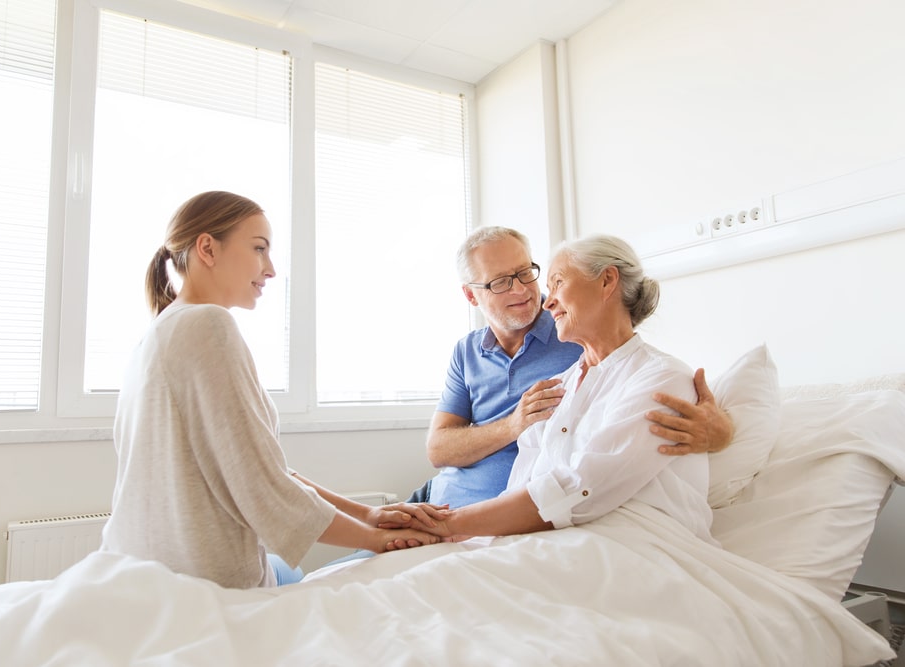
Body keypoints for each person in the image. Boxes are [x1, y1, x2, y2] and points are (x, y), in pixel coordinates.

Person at [100, 191, 441, 589]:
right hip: (200, 583)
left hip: (135, 569)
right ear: (207, 248)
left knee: (290, 570)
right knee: (336, 571)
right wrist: (378, 540)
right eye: (259, 249)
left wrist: (367, 515)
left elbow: (260, 468)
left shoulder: (157, 333)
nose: (271, 269)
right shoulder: (207, 326)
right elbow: (262, 486)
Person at [417, 234, 715, 544]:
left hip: (613, 542)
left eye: (554, 281)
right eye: (501, 281)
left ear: (607, 281)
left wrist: (450, 526)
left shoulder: (658, 376)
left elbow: (581, 487)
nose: (546, 300)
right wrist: (464, 536)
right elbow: (514, 477)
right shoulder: (561, 383)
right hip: (454, 506)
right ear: (471, 295)